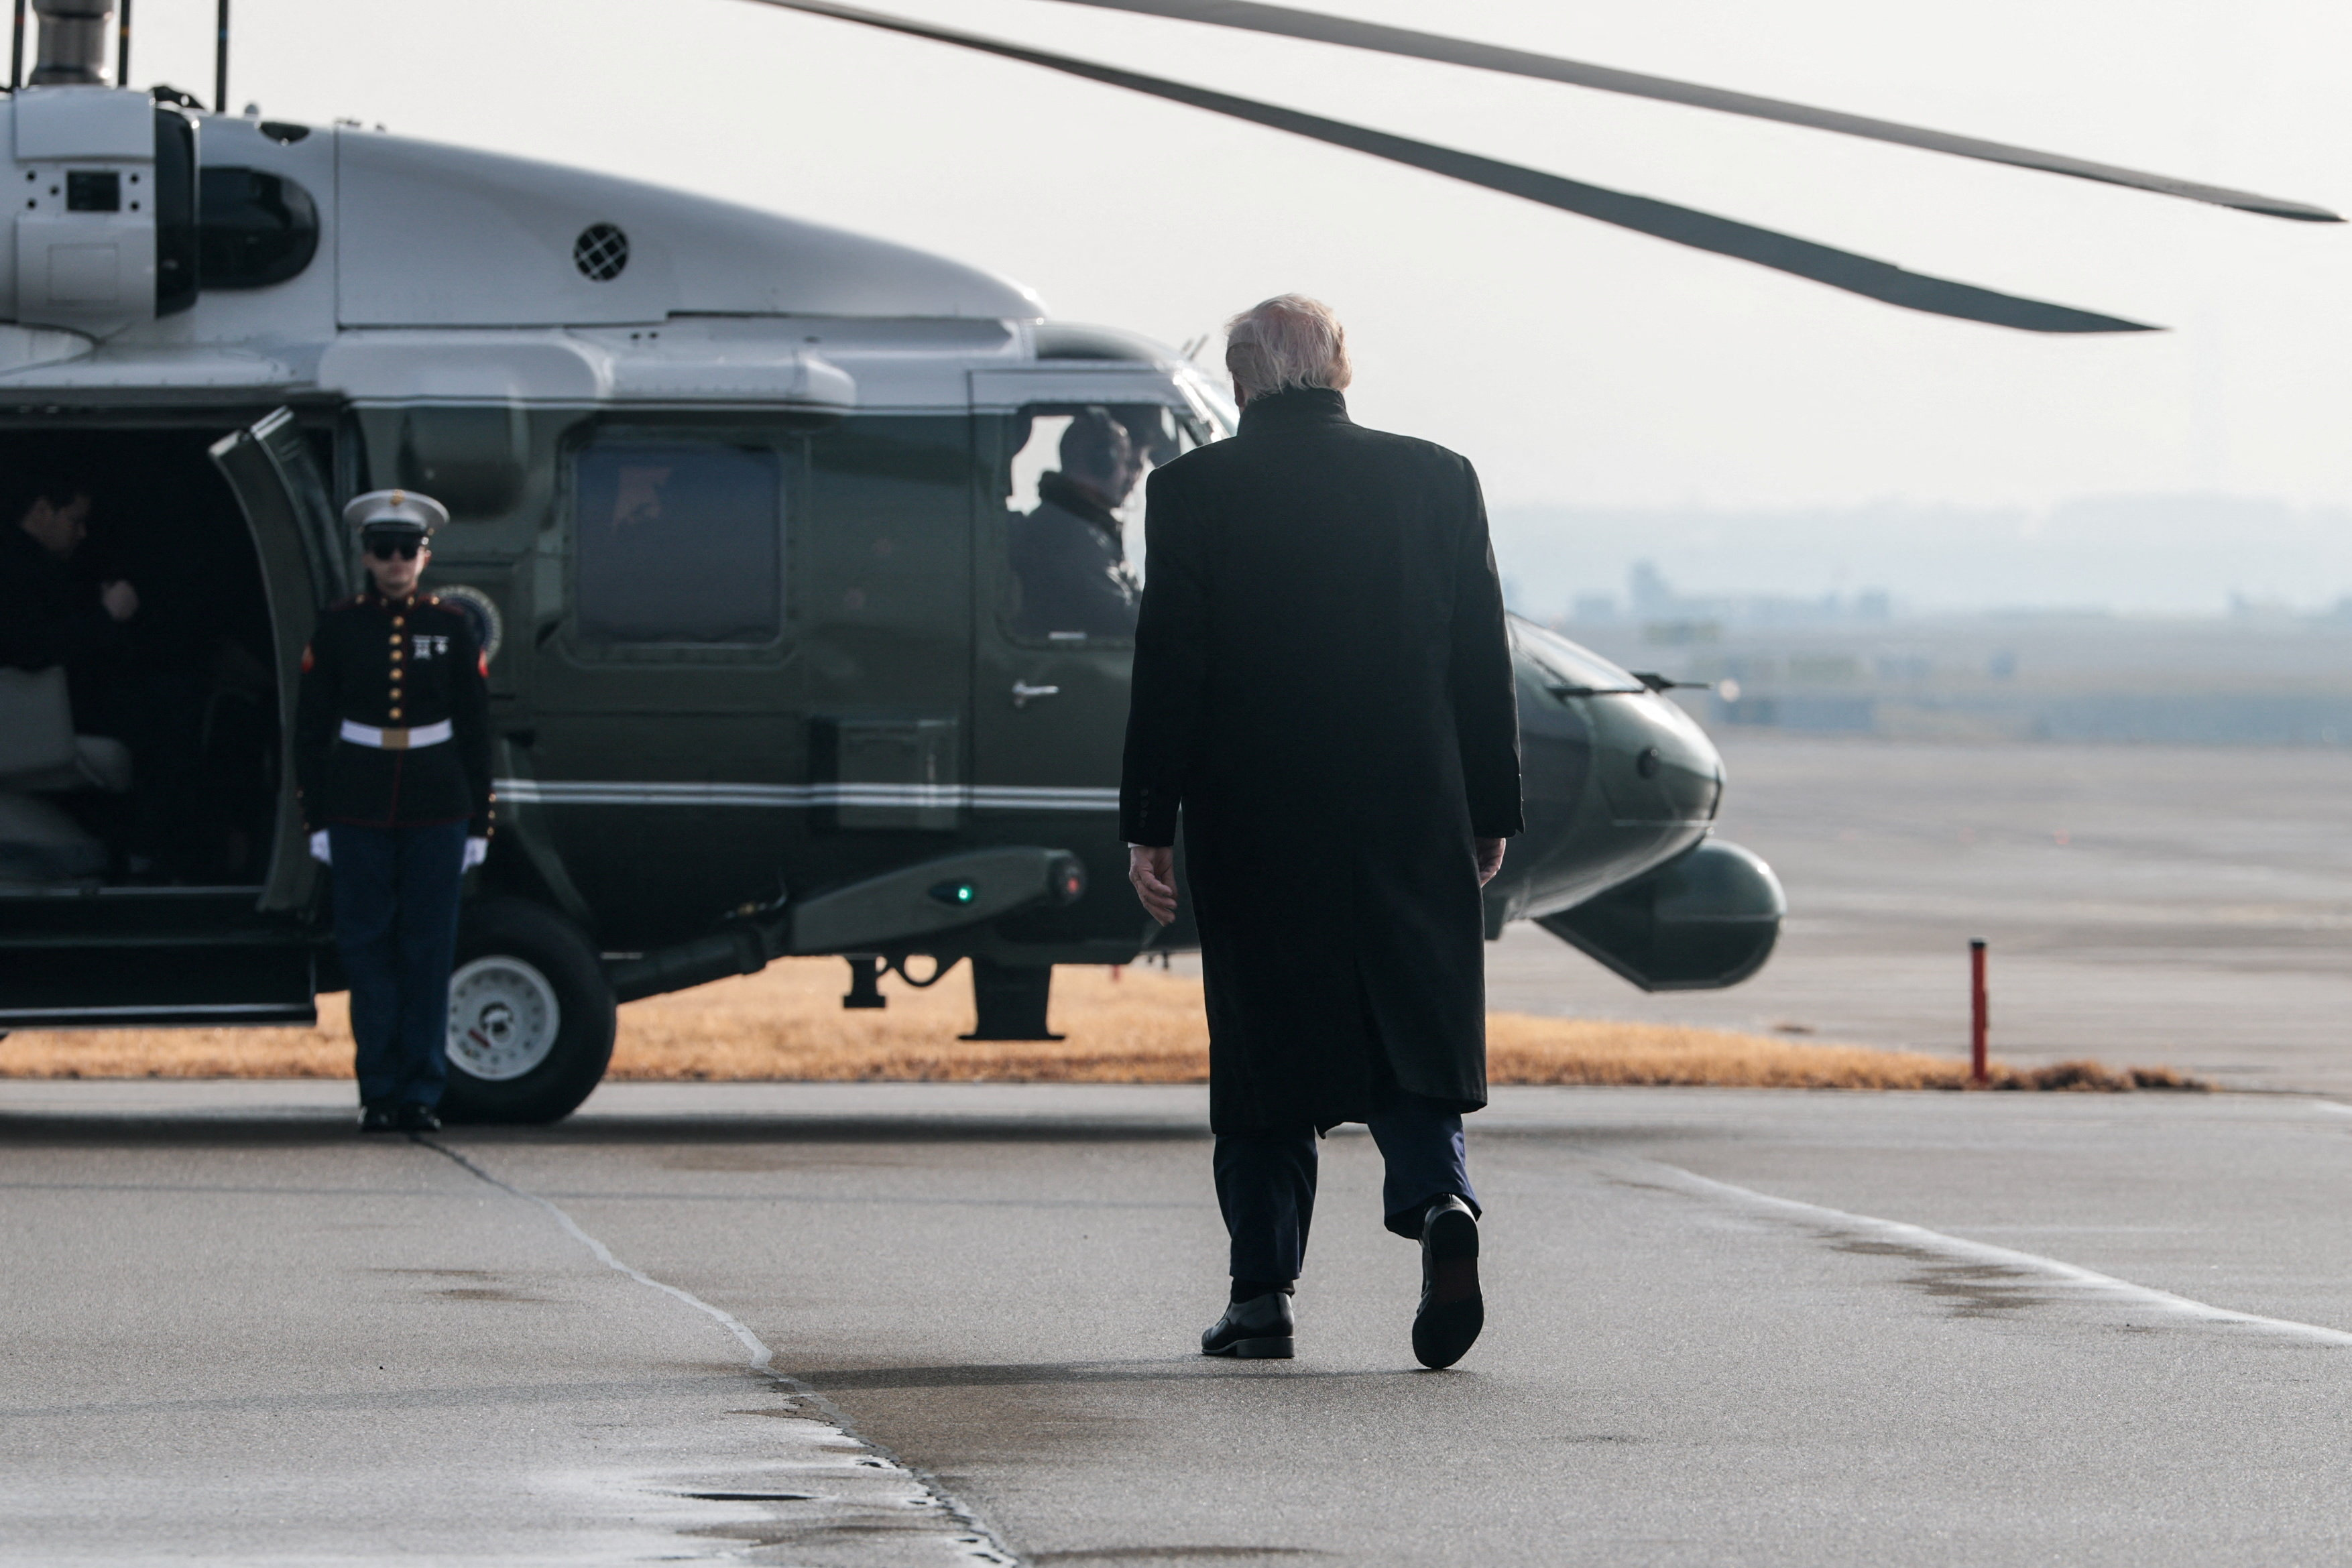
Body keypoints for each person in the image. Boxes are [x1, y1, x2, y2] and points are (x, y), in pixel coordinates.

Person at [1120, 295, 1521, 1370]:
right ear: (1343, 370)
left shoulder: (1193, 490)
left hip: (1257, 816)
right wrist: (1490, 810)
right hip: (1410, 807)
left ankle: (1262, 1298)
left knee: (1264, 1056)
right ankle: (1440, 1200)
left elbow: (1172, 670)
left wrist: (1149, 824)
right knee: (1412, 1034)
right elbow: (1481, 658)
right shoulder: (1441, 477)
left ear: (1242, 383)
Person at [294, 490, 493, 1134]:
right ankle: (378, 1091)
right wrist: (317, 820)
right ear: (367, 556)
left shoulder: (452, 626)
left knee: (429, 951)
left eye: (408, 550)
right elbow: (310, 731)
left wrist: (478, 823)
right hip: (358, 802)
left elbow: (474, 729)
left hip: (437, 804)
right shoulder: (340, 627)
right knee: (367, 950)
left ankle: (422, 1093)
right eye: (384, 550)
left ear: (425, 556)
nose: (397, 562)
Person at [1007, 408, 1144, 640]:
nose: (1129, 476)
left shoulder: (1075, 524)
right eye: (1124, 461)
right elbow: (1122, 622)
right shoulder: (1071, 535)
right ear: (1103, 463)